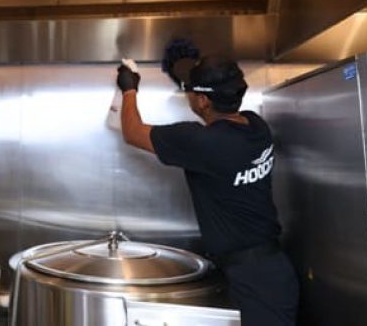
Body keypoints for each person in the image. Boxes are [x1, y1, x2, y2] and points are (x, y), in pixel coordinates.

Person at [115, 55, 299, 326]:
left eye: (190, 89)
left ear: (203, 101)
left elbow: (132, 132)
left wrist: (129, 88)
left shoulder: (202, 142)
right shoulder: (257, 127)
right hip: (270, 269)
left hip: (254, 280)